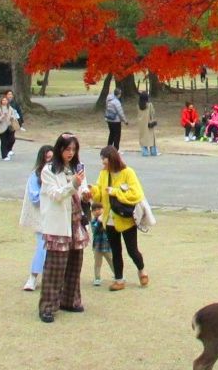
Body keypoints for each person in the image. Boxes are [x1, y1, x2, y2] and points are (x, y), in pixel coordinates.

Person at [38, 132, 88, 323]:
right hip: (58, 223)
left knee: (75, 264)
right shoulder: (49, 170)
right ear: (59, 149)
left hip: (75, 222)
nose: (70, 153)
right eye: (67, 149)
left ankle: (70, 300)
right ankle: (48, 307)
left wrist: (86, 193)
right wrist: (73, 184)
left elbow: (82, 189)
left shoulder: (77, 168)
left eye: (74, 149)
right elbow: (56, 195)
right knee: (55, 267)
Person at [89, 145, 148, 290]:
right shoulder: (104, 173)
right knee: (115, 250)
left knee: (132, 250)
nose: (103, 164)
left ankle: (141, 269)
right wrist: (92, 191)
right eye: (102, 162)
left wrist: (115, 192)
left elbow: (136, 194)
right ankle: (119, 279)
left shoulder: (128, 173)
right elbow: (99, 193)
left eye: (105, 161)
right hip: (109, 218)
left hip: (126, 218)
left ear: (113, 159)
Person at [20, 144, 53, 291]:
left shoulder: (58, 172)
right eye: (47, 159)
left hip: (56, 217)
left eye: (52, 159)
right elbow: (34, 198)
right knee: (42, 246)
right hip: (42, 217)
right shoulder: (35, 175)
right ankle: (33, 277)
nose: (49, 162)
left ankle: (53, 278)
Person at [89, 202, 114, 286]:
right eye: (94, 210)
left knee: (111, 260)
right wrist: (99, 222)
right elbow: (95, 230)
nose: (97, 211)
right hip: (97, 246)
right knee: (97, 263)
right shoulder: (93, 221)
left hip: (107, 245)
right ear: (92, 212)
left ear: (103, 209)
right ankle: (97, 278)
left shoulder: (107, 219)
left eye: (99, 209)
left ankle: (117, 274)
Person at [0, 94, 17, 161]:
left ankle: (8, 151)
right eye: (3, 100)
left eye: (5, 100)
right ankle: (4, 155)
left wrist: (12, 117)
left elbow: (14, 115)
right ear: (1, 101)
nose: (4, 101)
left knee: (11, 140)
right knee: (4, 141)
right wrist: (1, 117)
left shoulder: (10, 108)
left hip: (9, 127)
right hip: (1, 128)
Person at [137, 92, 159, 157]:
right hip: (148, 122)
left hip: (141, 123)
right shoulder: (149, 105)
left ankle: (144, 151)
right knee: (151, 138)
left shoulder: (138, 105)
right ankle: (153, 151)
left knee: (143, 137)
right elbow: (152, 112)